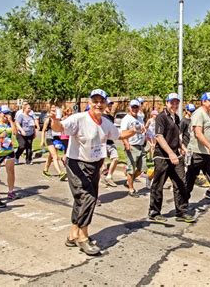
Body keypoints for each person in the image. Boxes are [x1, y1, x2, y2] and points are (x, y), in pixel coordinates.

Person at [50, 89, 135, 256]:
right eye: (94, 101)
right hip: (77, 164)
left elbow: (118, 134)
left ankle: (72, 234)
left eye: (101, 101)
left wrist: (134, 131)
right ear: (89, 103)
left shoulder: (105, 122)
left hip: (95, 165)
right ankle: (83, 237)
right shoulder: (79, 119)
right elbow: (60, 127)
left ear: (105, 104)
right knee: (87, 198)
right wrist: (54, 120)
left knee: (84, 200)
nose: (98, 104)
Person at [148, 93, 196, 223]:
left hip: (176, 155)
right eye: (172, 102)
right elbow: (159, 136)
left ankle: (181, 211)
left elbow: (178, 135)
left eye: (176, 103)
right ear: (166, 103)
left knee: (181, 182)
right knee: (158, 184)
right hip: (162, 156)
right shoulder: (161, 117)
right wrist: (170, 153)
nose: (174, 105)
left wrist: (182, 147)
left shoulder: (177, 117)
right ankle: (154, 212)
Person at [121, 99, 147, 197]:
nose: (135, 109)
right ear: (129, 108)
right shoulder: (126, 119)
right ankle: (131, 189)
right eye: (133, 107)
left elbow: (142, 128)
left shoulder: (140, 117)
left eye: (137, 107)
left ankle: (128, 181)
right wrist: (126, 144)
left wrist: (144, 131)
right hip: (132, 146)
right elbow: (122, 133)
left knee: (141, 168)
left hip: (141, 146)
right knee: (131, 169)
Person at [41, 105, 66, 180]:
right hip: (49, 139)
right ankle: (60, 173)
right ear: (49, 111)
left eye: (55, 111)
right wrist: (42, 140)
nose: (53, 112)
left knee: (51, 155)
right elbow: (43, 130)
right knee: (55, 156)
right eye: (52, 110)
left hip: (57, 139)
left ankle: (45, 170)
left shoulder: (60, 119)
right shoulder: (48, 120)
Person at [101, 100, 118, 187]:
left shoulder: (111, 117)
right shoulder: (100, 116)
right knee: (101, 161)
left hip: (110, 142)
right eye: (108, 106)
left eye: (111, 106)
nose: (110, 107)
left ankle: (109, 176)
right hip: (102, 142)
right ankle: (101, 178)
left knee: (115, 158)